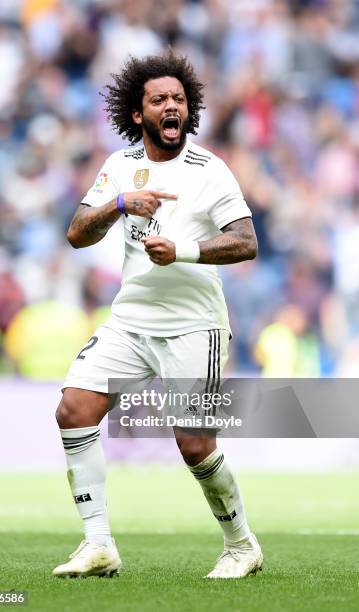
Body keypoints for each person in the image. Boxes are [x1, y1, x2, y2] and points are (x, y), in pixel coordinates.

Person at [53, 50, 262, 580]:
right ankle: (98, 544)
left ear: (188, 112)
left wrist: (185, 250)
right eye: (159, 100)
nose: (172, 106)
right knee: (74, 409)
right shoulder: (120, 167)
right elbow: (78, 233)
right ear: (138, 113)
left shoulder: (209, 169)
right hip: (132, 319)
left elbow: (246, 241)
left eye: (179, 99)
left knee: (194, 444)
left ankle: (241, 546)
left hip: (195, 323)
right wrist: (120, 204)